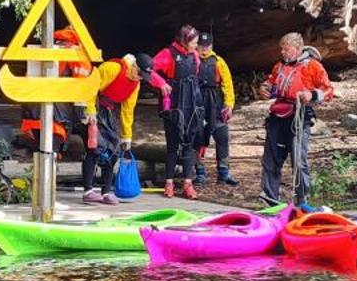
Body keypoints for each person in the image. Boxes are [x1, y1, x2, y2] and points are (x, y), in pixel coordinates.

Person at [260, 33, 334, 208]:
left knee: (298, 161)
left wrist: (311, 94)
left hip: (300, 116)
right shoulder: (279, 67)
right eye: (282, 48)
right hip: (278, 117)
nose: (282, 52)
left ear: (298, 48)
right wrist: (264, 88)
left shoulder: (313, 67)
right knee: (271, 160)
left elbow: (328, 90)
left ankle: (301, 202)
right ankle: (270, 201)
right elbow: (272, 84)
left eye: (286, 48)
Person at [76, 53, 156, 204]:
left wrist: (127, 136)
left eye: (143, 77)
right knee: (93, 147)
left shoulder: (135, 84)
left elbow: (127, 111)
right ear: (134, 66)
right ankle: (88, 190)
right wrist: (91, 110)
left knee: (114, 149)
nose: (139, 78)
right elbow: (91, 88)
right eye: (139, 73)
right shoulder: (112, 68)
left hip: (110, 112)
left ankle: (106, 191)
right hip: (92, 106)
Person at [150, 24, 208, 199]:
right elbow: (149, 70)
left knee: (189, 144)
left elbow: (195, 74)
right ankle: (169, 183)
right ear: (184, 41)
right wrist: (161, 84)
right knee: (173, 145)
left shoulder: (194, 55)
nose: (196, 45)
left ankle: (188, 184)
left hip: (192, 101)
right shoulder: (168, 54)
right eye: (194, 42)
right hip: (174, 102)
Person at [193, 31, 237, 186]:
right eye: (201, 46)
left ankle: (224, 172)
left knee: (222, 137)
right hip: (198, 101)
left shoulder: (219, 61)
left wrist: (229, 105)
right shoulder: (192, 60)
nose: (204, 49)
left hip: (215, 101)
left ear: (211, 46)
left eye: (207, 46)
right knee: (198, 139)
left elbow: (228, 84)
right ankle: (199, 173)